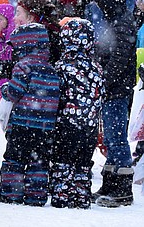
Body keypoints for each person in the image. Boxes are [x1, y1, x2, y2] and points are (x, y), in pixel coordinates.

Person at [0, 22, 60, 206]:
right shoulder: (51, 69)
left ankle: (11, 194)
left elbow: (15, 92)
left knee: (14, 159)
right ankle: (36, 196)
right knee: (38, 162)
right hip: (45, 127)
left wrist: (6, 88)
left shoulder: (23, 66)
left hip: (23, 124)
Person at [88, 0, 137, 207]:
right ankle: (109, 183)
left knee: (117, 138)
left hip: (117, 90)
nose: (98, 5)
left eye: (100, 1)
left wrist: (103, 81)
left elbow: (119, 59)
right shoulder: (113, 21)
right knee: (109, 137)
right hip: (111, 89)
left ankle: (122, 188)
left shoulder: (122, 23)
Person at [50, 17, 102, 209]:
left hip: (66, 123)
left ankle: (61, 194)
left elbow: (57, 92)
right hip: (89, 125)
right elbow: (101, 93)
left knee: (63, 159)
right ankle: (81, 195)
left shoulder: (62, 66)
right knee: (83, 161)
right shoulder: (95, 67)